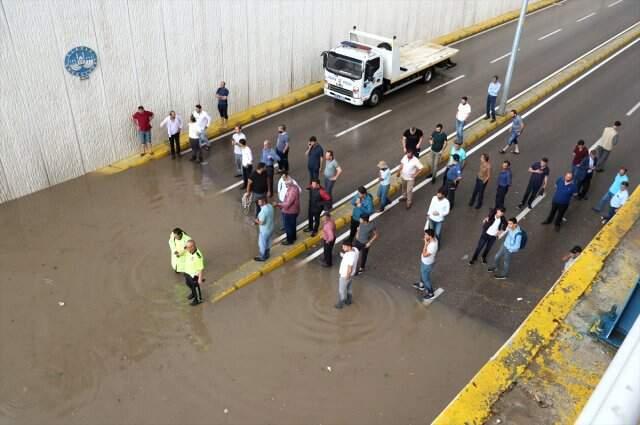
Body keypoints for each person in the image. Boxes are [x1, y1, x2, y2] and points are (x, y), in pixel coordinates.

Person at [412, 229, 439, 300]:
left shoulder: (432, 246)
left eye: (426, 235)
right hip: (425, 262)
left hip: (427, 263)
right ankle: (421, 285)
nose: (424, 236)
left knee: (426, 279)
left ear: (430, 236)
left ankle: (431, 293)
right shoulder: (433, 239)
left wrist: (425, 244)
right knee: (422, 273)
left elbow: (424, 254)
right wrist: (427, 240)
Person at [179, 239, 204, 306]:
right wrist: (185, 249)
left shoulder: (198, 256)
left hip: (194, 275)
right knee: (187, 283)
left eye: (188, 247)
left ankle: (198, 299)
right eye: (186, 247)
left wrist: (200, 279)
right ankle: (193, 293)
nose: (186, 248)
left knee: (195, 286)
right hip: (187, 272)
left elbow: (200, 268)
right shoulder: (187, 250)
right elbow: (179, 255)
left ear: (192, 247)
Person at [276, 179, 301, 246]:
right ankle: (293, 237)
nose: (286, 186)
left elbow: (287, 204)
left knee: (288, 226)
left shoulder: (292, 191)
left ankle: (290, 240)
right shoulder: (295, 188)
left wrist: (278, 204)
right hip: (294, 210)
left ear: (289, 184)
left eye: (286, 184)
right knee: (292, 225)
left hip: (289, 212)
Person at [336, 241, 358, 309]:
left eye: (344, 246)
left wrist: (346, 277)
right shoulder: (355, 250)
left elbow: (349, 268)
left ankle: (340, 304)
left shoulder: (350, 256)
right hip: (351, 275)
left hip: (345, 275)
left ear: (349, 247)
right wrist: (343, 255)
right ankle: (349, 301)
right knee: (349, 288)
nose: (342, 248)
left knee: (341, 290)